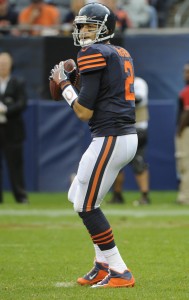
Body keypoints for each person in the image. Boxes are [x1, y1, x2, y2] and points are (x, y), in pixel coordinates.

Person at [50, 2, 137, 288]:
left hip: (111, 136)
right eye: (82, 26)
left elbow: (83, 111)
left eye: (90, 26)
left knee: (86, 206)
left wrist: (65, 86)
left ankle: (119, 270)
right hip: (118, 135)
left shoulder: (93, 52)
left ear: (105, 28)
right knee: (78, 196)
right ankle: (101, 266)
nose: (84, 31)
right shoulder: (119, 51)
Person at [109, 76, 150, 205]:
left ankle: (144, 196)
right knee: (116, 162)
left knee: (138, 161)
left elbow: (138, 99)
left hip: (137, 127)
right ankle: (117, 195)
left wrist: (119, 98)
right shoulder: (116, 83)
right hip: (120, 128)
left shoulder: (138, 83)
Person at [0, 52, 28, 204]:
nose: (3, 66)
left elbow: (22, 103)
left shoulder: (17, 82)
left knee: (15, 165)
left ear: (11, 65)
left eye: (5, 63)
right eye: (1, 63)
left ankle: (20, 196)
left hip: (13, 130)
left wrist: (6, 109)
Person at [175, 62, 189, 205]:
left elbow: (187, 111)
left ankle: (185, 197)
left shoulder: (187, 91)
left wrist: (180, 130)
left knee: (185, 164)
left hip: (186, 131)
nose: (186, 75)